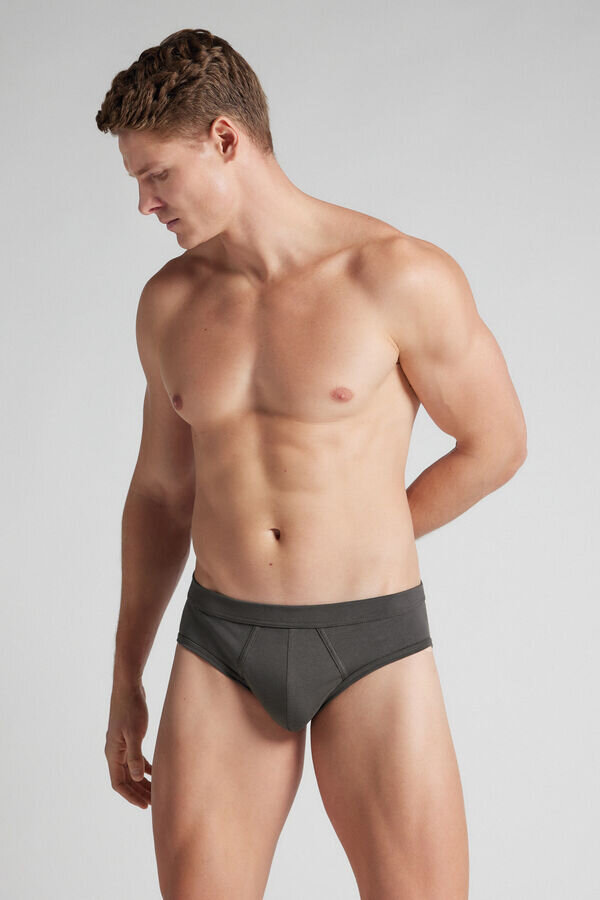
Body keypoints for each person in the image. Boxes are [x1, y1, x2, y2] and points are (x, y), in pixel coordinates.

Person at [97, 27, 527, 900]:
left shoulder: (397, 276)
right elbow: (161, 495)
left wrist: (371, 531)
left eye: (157, 175)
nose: (145, 204)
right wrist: (124, 675)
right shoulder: (169, 304)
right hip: (221, 646)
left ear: (225, 139)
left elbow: (497, 444)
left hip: (373, 641)